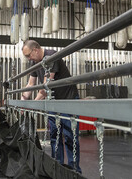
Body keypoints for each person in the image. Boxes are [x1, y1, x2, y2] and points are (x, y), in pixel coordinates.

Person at [21, 40, 82, 173]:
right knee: (55, 135)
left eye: (29, 55)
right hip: (53, 103)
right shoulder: (35, 63)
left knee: (70, 136)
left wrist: (32, 105)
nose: (28, 59)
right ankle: (57, 167)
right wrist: (23, 100)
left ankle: (74, 170)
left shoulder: (51, 57)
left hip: (67, 100)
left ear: (36, 50)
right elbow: (31, 84)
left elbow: (45, 87)